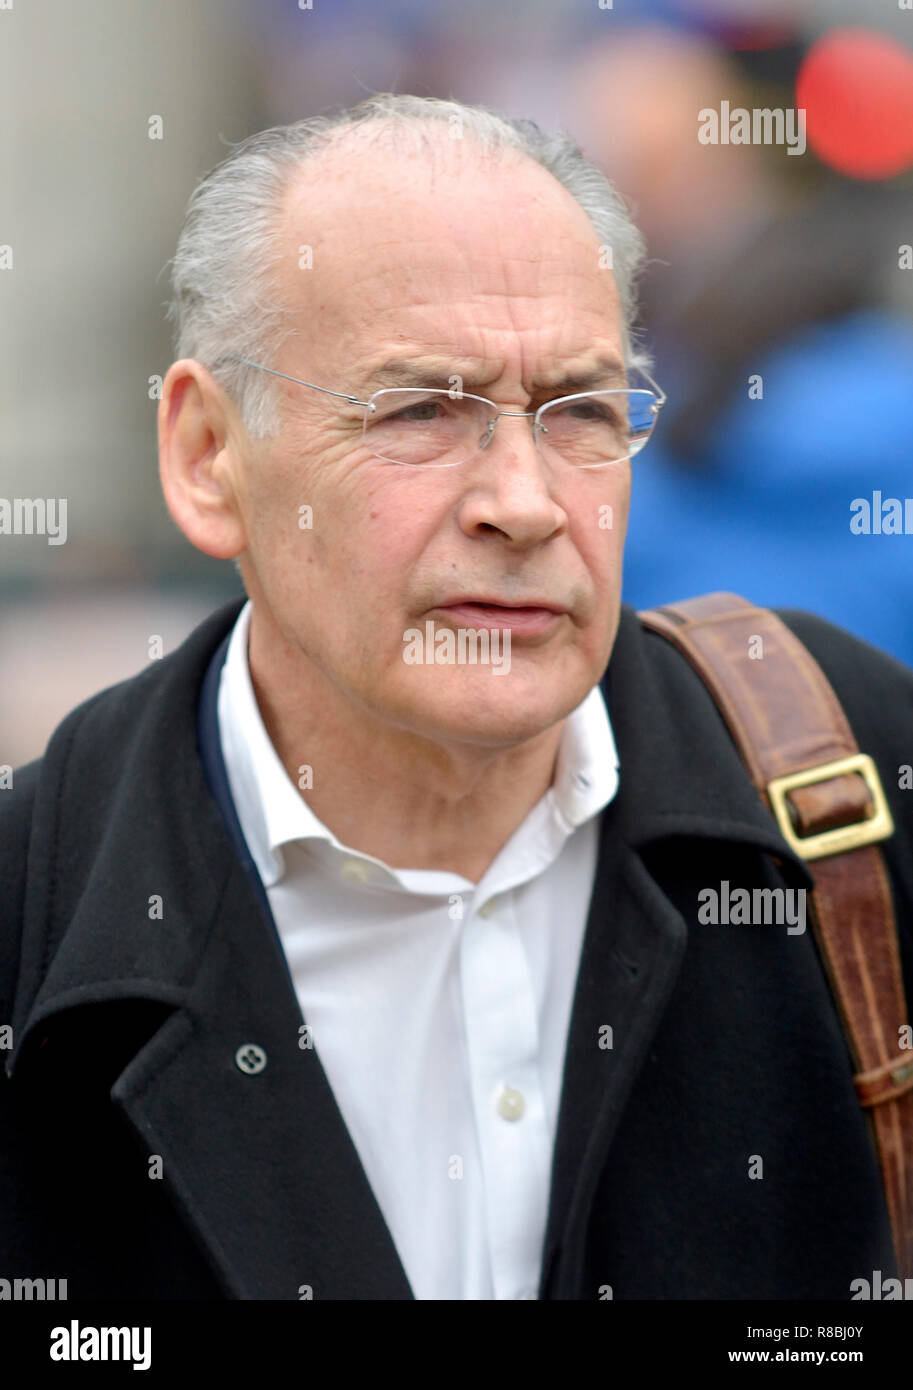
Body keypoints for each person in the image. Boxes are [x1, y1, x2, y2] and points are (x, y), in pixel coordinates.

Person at [1, 93, 911, 1302]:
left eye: (581, 409)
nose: (525, 503)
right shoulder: (38, 911)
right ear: (208, 457)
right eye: (422, 410)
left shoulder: (844, 769)